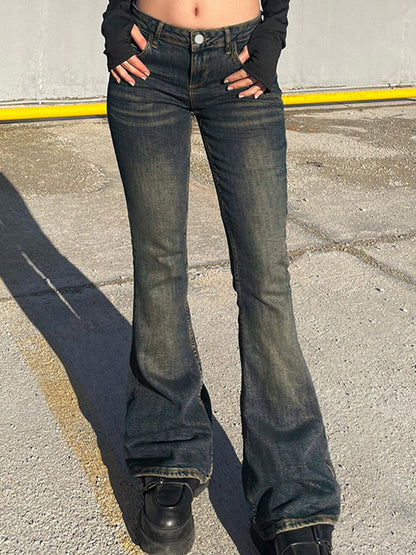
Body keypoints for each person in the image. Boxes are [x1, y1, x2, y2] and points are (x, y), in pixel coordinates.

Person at [101, 1, 341, 553]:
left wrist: (272, 35)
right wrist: (115, 21)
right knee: (158, 268)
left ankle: (293, 493)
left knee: (265, 280)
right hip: (147, 62)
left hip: (239, 62)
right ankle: (168, 455)